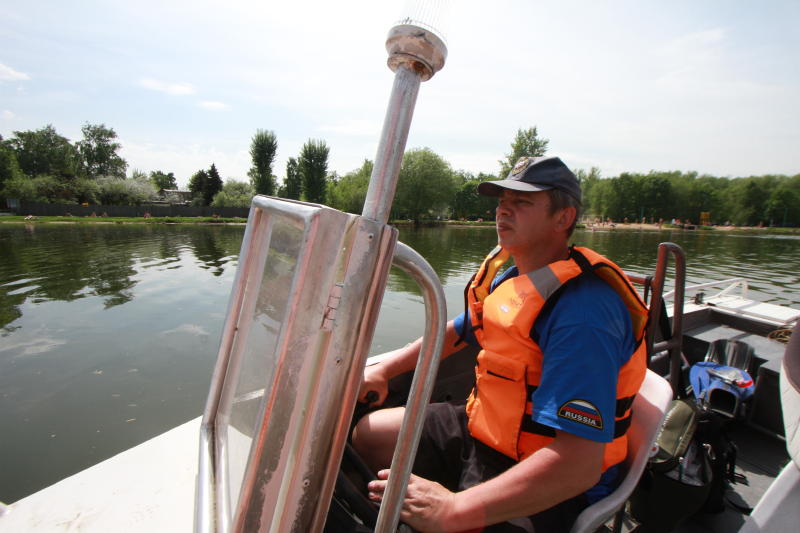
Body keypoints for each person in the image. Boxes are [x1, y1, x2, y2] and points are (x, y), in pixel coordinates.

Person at [352, 156, 648, 532]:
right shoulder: (512, 279)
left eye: (522, 202)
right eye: (502, 200)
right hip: (484, 429)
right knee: (369, 434)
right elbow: (458, 332)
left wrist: (454, 510)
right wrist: (385, 370)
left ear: (563, 218)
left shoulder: (583, 314)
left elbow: (578, 466)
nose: (503, 210)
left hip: (547, 474)